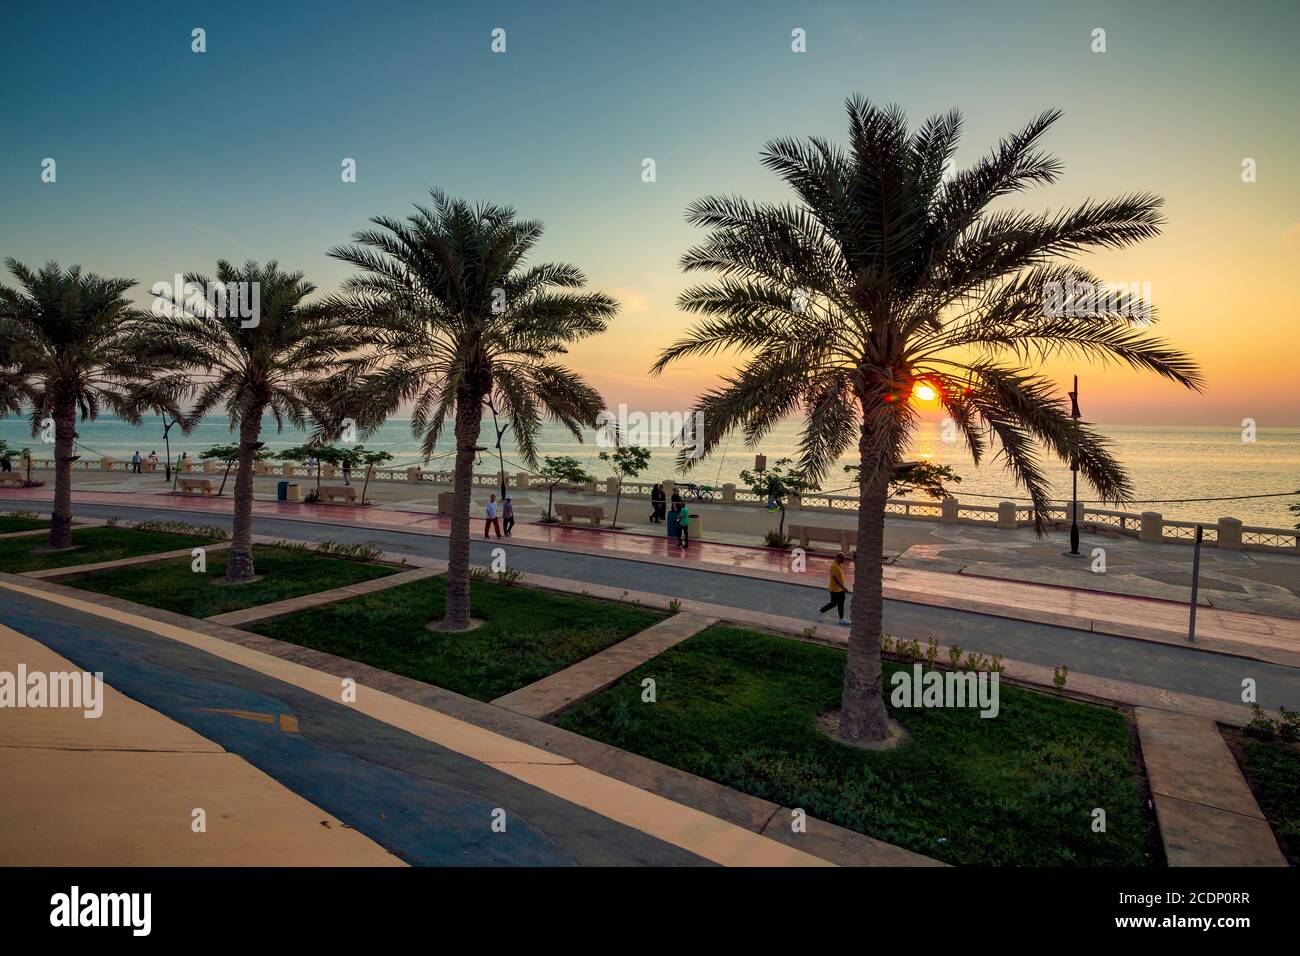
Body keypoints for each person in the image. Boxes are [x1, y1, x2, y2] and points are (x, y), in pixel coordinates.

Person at [819, 553, 850, 625]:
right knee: (833, 603)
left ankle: (841, 619)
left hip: (840, 589)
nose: (844, 561)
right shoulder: (833, 566)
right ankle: (822, 611)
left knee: (841, 603)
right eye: (843, 559)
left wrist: (842, 588)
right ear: (838, 558)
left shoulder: (838, 565)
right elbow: (836, 579)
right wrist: (843, 587)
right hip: (835, 589)